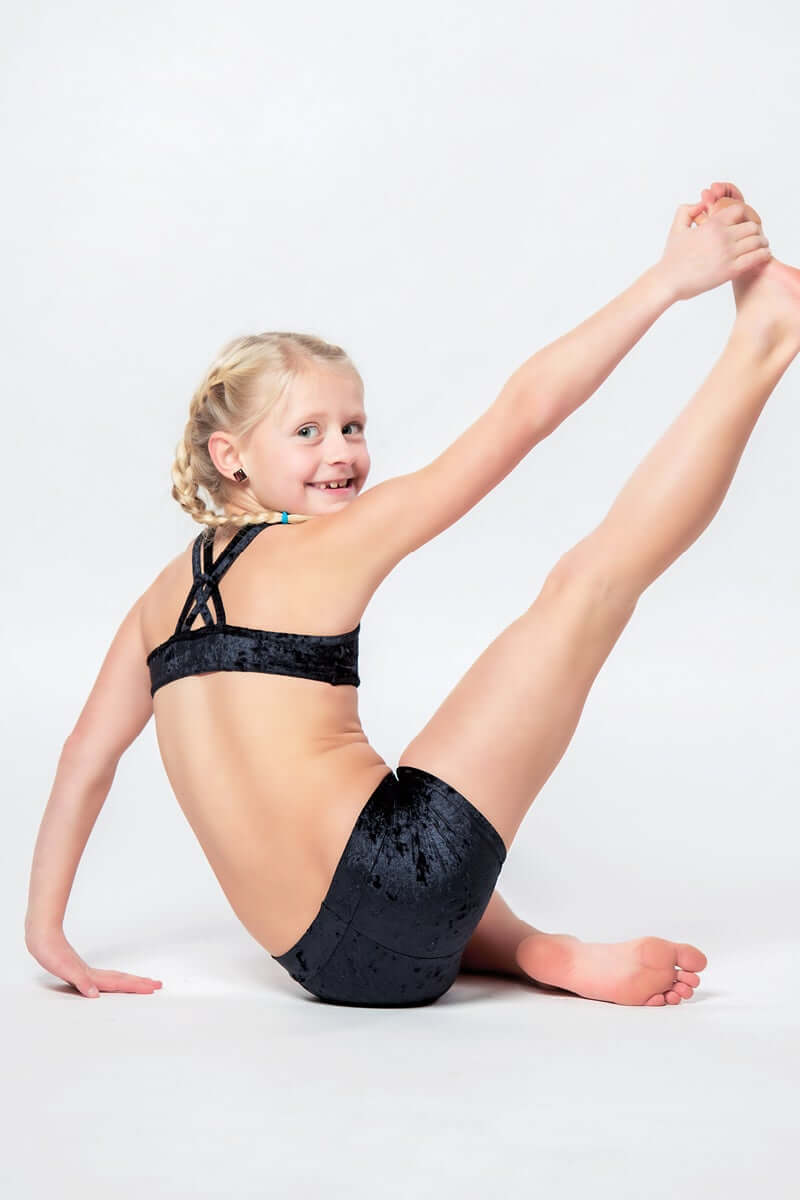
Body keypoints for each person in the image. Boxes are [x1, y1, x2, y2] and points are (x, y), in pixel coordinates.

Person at [25, 180, 794, 1008]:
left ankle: (527, 948)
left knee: (398, 823)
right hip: (410, 880)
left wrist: (46, 930)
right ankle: (768, 338)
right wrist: (666, 282)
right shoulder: (333, 541)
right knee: (590, 584)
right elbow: (523, 414)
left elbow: (84, 758)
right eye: (307, 431)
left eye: (352, 427)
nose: (342, 453)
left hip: (321, 966)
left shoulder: (155, 604)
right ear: (230, 454)